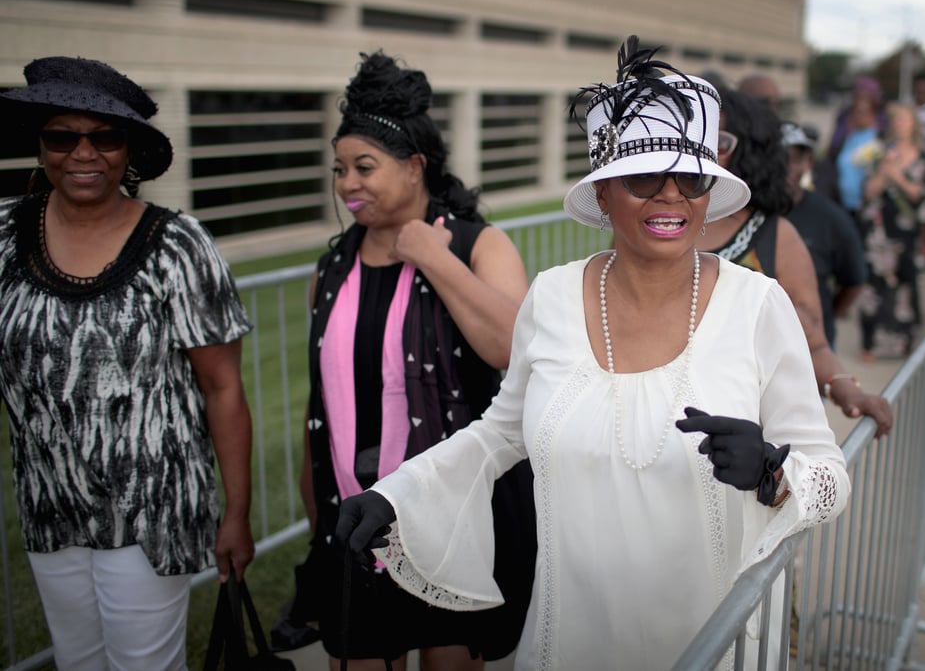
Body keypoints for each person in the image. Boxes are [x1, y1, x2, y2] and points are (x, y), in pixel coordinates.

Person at [333, 38, 851, 671]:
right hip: (575, 633)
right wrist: (400, 493)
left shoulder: (757, 307)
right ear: (603, 194)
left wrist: (771, 470)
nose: (670, 195)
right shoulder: (551, 297)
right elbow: (501, 432)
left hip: (712, 638)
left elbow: (830, 479)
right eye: (641, 176)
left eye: (690, 177)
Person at [0, 56, 254, 669]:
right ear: (40, 146)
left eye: (105, 136)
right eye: (62, 136)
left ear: (129, 150)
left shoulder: (179, 244)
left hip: (151, 507)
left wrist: (237, 515)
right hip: (49, 501)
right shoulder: (5, 233)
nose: (83, 153)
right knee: (77, 660)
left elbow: (222, 388)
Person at [300, 50, 534, 671]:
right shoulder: (333, 268)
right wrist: (315, 523)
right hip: (354, 516)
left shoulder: (477, 243)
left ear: (414, 167)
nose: (348, 183)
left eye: (365, 167)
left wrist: (432, 256)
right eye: (340, 169)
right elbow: (319, 404)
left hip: (449, 513)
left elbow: (513, 347)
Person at [702, 88, 893, 436]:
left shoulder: (775, 236)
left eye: (717, 140)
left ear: (746, 150)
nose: (699, 150)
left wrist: (848, 391)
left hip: (741, 431)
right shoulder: (643, 225)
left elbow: (814, 341)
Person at [780, 121, 867, 351]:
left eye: (796, 159)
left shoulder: (831, 218)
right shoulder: (746, 213)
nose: (787, 167)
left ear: (808, 163)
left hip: (813, 347)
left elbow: (854, 280)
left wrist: (825, 317)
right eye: (779, 157)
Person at [857, 103, 925, 360]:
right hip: (878, 231)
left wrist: (897, 176)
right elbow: (868, 192)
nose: (899, 124)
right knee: (873, 287)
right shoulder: (878, 152)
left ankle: (903, 342)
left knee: (905, 285)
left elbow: (921, 195)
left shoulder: (923, 157)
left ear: (913, 124)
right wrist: (883, 173)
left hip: (906, 231)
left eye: (904, 119)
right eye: (896, 120)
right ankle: (870, 344)